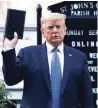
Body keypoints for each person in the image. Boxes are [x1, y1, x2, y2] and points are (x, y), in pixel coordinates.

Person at [2, 12, 94, 108]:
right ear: (43, 32)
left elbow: (86, 96)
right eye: (50, 27)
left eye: (58, 27)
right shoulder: (28, 54)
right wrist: (9, 49)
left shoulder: (79, 57)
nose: (55, 31)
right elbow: (11, 79)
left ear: (65, 30)